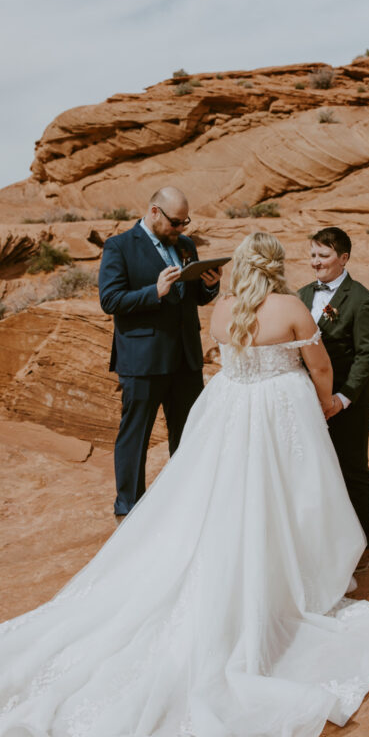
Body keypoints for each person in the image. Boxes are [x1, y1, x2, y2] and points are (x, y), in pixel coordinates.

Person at [0, 232, 369, 737]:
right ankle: (291, 579)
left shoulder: (224, 309)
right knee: (286, 497)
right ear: (277, 267)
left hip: (228, 412)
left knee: (220, 498)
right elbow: (319, 367)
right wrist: (324, 404)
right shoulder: (293, 307)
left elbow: (226, 359)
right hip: (279, 412)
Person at [98, 187, 221, 520]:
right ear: (154, 212)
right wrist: (154, 291)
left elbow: (194, 297)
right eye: (176, 222)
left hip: (185, 357)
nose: (181, 229)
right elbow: (110, 300)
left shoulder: (187, 245)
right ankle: (129, 510)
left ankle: (185, 503)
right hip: (143, 359)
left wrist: (209, 285)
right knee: (135, 435)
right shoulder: (119, 246)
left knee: (189, 434)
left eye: (185, 222)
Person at [298, 228, 369, 571]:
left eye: (324, 256)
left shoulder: (362, 299)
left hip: (349, 403)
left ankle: (362, 545)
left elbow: (366, 355)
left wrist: (342, 398)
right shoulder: (301, 295)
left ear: (343, 258)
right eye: (313, 255)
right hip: (309, 401)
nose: (316, 262)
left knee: (352, 471)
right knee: (314, 472)